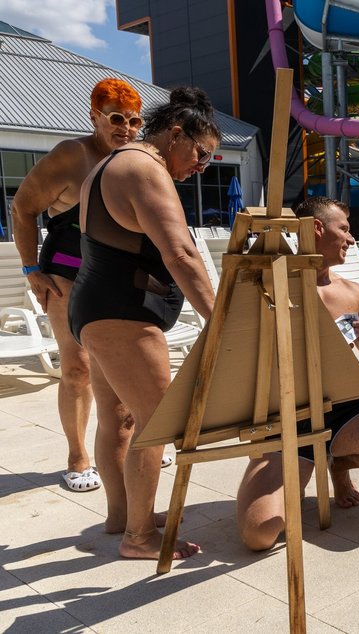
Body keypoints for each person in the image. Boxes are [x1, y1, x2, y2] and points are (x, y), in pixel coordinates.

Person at [70, 87, 219, 559]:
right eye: (201, 154)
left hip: (96, 307)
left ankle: (122, 516)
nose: (202, 167)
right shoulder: (144, 168)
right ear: (175, 135)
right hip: (123, 313)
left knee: (119, 417)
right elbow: (181, 253)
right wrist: (221, 319)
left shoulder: (114, 163)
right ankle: (138, 537)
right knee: (157, 422)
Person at [236, 197, 359, 551]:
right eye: (345, 229)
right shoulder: (272, 286)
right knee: (258, 535)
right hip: (284, 414)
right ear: (317, 229)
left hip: (343, 406)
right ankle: (294, 467)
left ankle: (336, 463)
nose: (352, 239)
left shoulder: (352, 293)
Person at [11, 78, 144, 493]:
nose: (125, 128)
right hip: (66, 275)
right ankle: (77, 456)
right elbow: (22, 208)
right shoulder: (72, 155)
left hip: (118, 277)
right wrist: (31, 269)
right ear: (95, 117)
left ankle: (131, 438)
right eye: (116, 119)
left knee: (125, 365)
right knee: (77, 368)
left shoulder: (136, 159)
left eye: (134, 121)